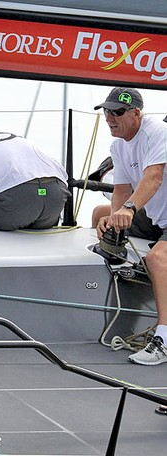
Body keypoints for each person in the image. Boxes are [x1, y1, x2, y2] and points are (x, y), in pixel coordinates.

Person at [94, 87, 167, 366]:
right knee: (100, 215)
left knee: (157, 259)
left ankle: (164, 338)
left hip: (161, 218)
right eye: (107, 111)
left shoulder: (156, 132)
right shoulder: (118, 145)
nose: (110, 117)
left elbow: (154, 178)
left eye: (118, 112)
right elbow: (121, 190)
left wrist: (127, 210)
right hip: (158, 218)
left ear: (137, 114)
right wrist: (114, 218)